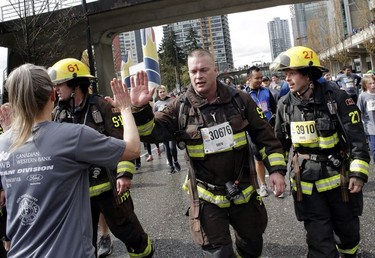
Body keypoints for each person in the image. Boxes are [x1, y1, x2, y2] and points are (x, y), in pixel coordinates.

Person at [130, 49, 287, 257]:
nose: (198, 76)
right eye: (193, 71)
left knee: (252, 246)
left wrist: (276, 170)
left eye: (203, 70)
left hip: (244, 192)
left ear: (215, 70)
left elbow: (265, 136)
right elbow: (150, 133)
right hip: (207, 196)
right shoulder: (179, 107)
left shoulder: (240, 100)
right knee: (219, 253)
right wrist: (140, 109)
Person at [0, 63, 141, 257]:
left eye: (61, 85)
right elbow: (133, 149)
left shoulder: (2, 143)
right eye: (55, 87)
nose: (58, 90)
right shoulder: (72, 136)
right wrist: (125, 108)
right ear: (51, 95)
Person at [49, 58, 153, 257]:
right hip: (79, 194)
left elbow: (124, 141)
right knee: (83, 242)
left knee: (130, 235)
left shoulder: (102, 106)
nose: (56, 89)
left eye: (59, 84)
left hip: (110, 189)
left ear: (75, 85)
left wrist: (124, 174)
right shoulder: (57, 114)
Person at [272, 46, 370, 258]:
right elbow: (278, 144)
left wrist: (358, 174)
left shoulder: (337, 98)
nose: (286, 79)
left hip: (340, 181)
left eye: (292, 73)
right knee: (318, 240)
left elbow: (357, 139)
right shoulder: (285, 105)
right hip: (306, 184)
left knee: (348, 234)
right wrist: (277, 171)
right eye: (285, 74)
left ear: (308, 74)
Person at [246, 66, 278, 198]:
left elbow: (275, 109)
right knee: (258, 159)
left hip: (269, 130)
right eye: (257, 78)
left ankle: (276, 185)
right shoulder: (244, 95)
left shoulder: (266, 92)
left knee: (273, 157)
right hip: (253, 133)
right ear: (249, 79)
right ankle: (263, 185)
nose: (260, 80)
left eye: (261, 78)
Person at [153, 85, 181, 174]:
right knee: (167, 148)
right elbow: (154, 116)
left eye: (164, 91)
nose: (162, 93)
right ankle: (171, 167)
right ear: (158, 94)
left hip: (172, 127)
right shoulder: (156, 104)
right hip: (163, 129)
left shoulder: (172, 100)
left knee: (172, 147)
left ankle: (176, 161)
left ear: (167, 91)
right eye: (160, 92)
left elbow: (177, 112)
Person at [357, 74, 375, 162]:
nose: (373, 85)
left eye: (374, 83)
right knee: (374, 149)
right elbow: (359, 111)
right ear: (365, 85)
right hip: (371, 127)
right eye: (370, 84)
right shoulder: (363, 96)